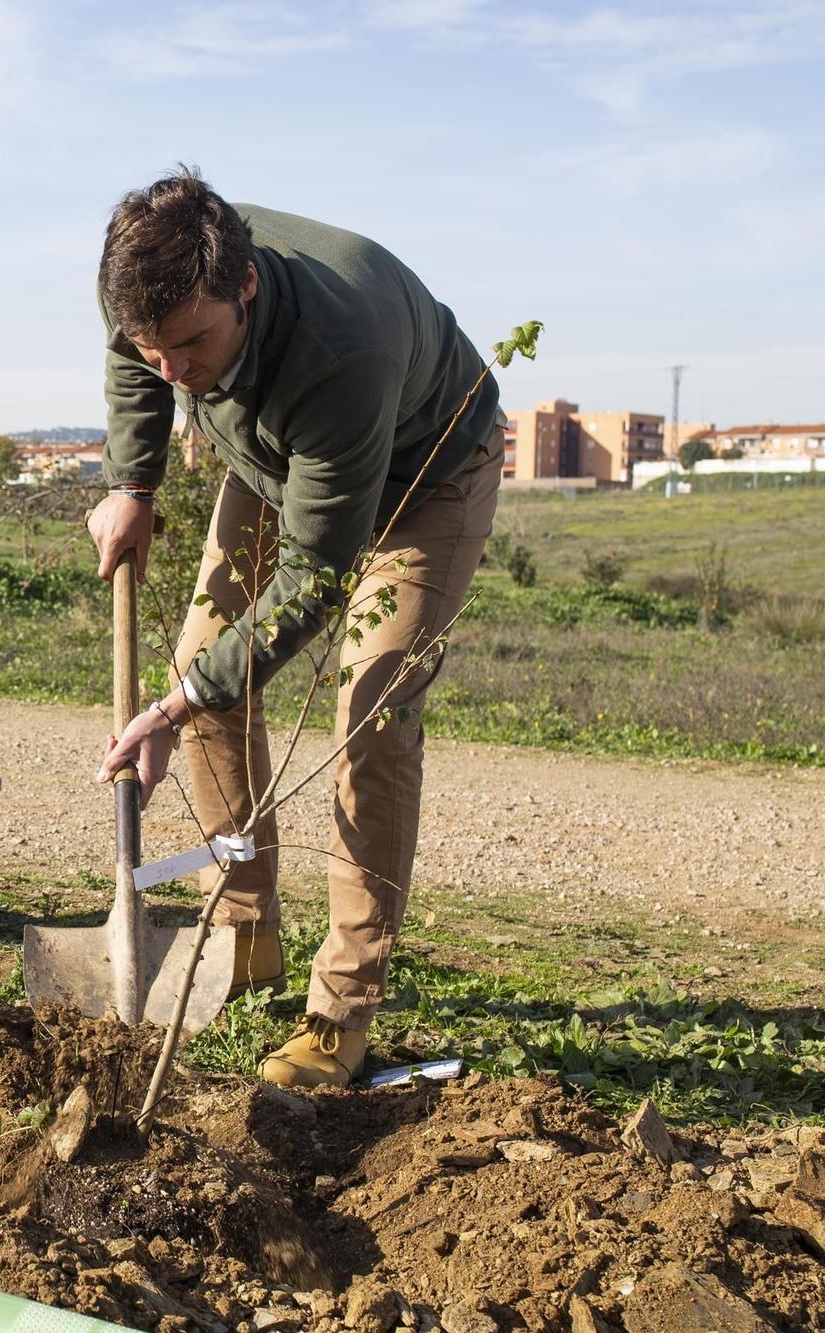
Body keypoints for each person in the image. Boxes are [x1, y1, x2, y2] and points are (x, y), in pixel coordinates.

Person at [88, 168, 503, 1088]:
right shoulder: (154, 284)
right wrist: (134, 485)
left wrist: (181, 700)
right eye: (155, 349)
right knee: (203, 665)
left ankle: (341, 1012)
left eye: (191, 346)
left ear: (244, 285)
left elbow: (314, 571)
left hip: (422, 471)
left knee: (370, 712)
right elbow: (136, 357)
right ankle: (243, 931)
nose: (175, 373)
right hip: (282, 461)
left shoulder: (340, 349)